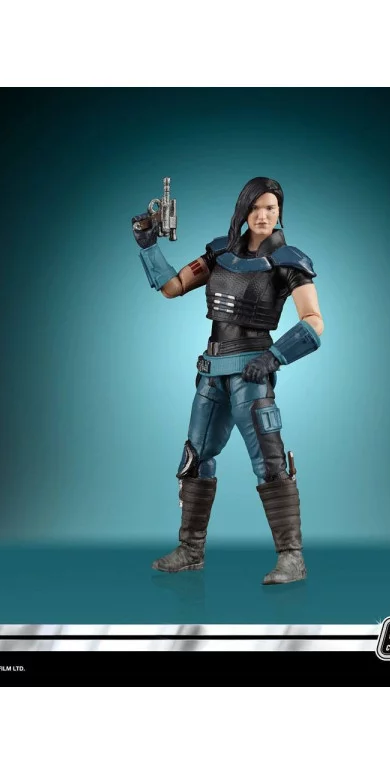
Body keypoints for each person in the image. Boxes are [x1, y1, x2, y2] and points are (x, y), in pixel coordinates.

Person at [132, 177, 324, 584]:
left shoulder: (288, 261)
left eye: (271, 208)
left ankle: (292, 558)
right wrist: (148, 245)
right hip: (212, 372)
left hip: (252, 373)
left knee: (270, 463)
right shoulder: (220, 252)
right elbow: (172, 287)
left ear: (279, 213)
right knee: (195, 459)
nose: (263, 216)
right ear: (243, 210)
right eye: (256, 208)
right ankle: (190, 550)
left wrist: (274, 357)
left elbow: (313, 322)